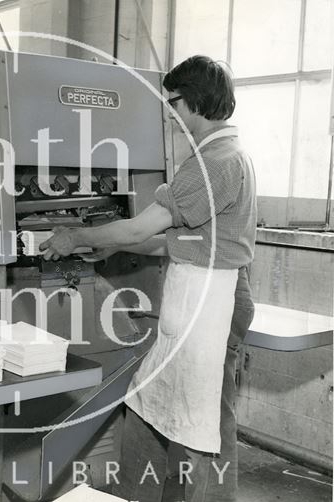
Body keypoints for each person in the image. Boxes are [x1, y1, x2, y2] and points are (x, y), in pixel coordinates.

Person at [39, 55, 257, 501]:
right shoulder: (226, 154)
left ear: (194, 101)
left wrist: (75, 235)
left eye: (173, 102)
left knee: (205, 427)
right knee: (147, 402)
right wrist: (112, 244)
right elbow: (172, 240)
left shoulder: (214, 161)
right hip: (201, 294)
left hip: (211, 305)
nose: (172, 115)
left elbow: (143, 227)